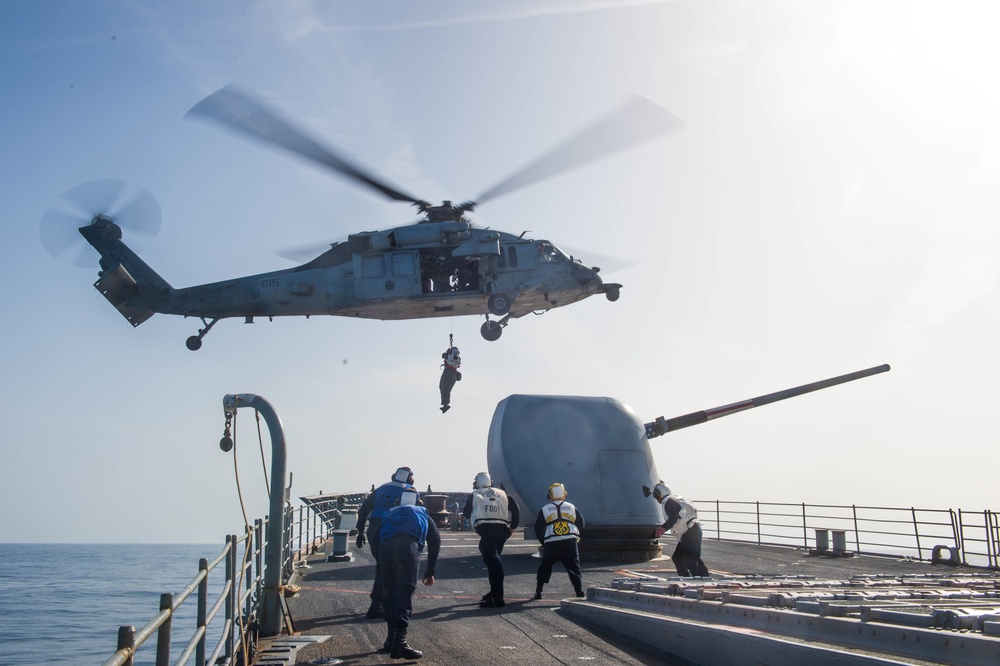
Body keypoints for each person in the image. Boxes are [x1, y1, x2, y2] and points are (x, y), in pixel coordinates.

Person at [377, 487, 440, 660]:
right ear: (418, 500)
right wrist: (430, 571)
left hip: (385, 548)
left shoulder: (390, 512)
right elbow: (435, 540)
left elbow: (376, 535)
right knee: (405, 593)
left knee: (389, 592)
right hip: (407, 547)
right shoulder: (421, 512)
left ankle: (391, 639)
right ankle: (399, 643)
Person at [355, 467, 417, 619]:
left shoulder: (380, 489)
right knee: (392, 568)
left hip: (374, 529)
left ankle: (378, 603)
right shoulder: (410, 490)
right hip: (394, 529)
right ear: (410, 479)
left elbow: (363, 510)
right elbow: (416, 513)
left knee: (382, 566)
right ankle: (380, 605)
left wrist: (360, 532)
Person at [462, 472, 519, 607]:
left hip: (487, 532)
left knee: (493, 562)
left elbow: (465, 513)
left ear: (477, 483)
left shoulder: (475, 495)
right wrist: (513, 526)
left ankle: (498, 597)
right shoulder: (503, 494)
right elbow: (515, 510)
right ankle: (494, 592)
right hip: (502, 532)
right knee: (493, 561)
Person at [533, 482, 585, 600]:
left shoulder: (545, 509)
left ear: (549, 495)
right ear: (564, 493)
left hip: (552, 544)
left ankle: (539, 592)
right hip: (570, 543)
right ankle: (579, 591)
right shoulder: (572, 507)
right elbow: (581, 524)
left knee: (544, 567)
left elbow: (538, 528)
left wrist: (543, 542)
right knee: (574, 568)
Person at [649, 481, 710, 577]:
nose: (656, 499)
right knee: (679, 558)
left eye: (655, 495)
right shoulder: (675, 499)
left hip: (689, 532)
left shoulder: (668, 502)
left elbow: (674, 516)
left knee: (691, 560)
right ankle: (694, 579)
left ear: (659, 494)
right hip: (691, 531)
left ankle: (699, 583)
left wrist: (663, 528)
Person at [439, 345, 461, 413]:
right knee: (448, 390)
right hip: (454, 375)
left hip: (447, 373)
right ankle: (446, 405)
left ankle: (445, 404)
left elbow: (443, 356)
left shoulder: (448, 355)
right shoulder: (459, 359)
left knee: (442, 388)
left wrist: (447, 353)